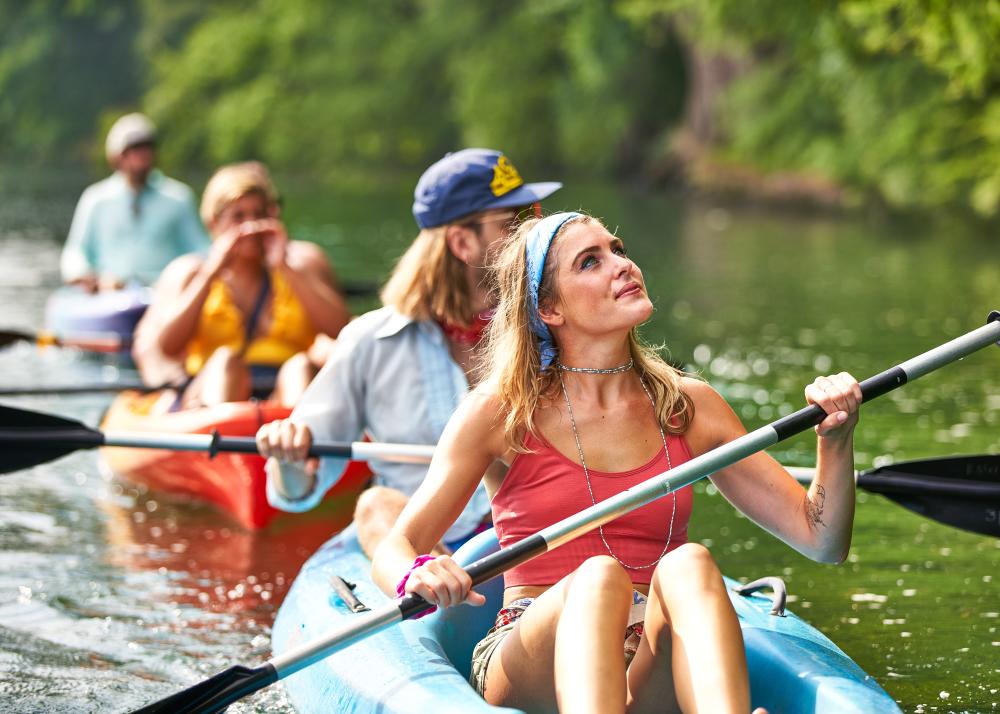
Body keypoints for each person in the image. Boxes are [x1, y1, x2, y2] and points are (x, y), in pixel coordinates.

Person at [370, 211, 862, 713]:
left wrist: (836, 442)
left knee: (690, 562)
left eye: (618, 249)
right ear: (550, 308)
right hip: (530, 653)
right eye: (591, 261)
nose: (622, 266)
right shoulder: (501, 411)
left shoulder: (687, 406)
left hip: (645, 658)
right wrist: (419, 574)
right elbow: (396, 546)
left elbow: (821, 540)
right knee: (600, 575)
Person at [255, 148, 562, 557]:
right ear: (461, 242)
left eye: (535, 214)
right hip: (419, 545)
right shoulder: (369, 341)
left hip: (528, 539)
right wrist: (289, 459)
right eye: (515, 222)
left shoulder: (552, 324)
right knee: (374, 504)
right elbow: (296, 494)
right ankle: (431, 590)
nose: (534, 232)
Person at [132, 161, 350, 409]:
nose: (251, 227)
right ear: (213, 223)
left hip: (286, 392)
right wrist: (212, 271)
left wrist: (285, 267)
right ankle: (221, 439)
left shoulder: (301, 264)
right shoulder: (191, 272)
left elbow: (341, 331)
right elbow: (168, 347)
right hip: (211, 391)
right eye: (238, 217)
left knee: (299, 367)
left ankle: (297, 439)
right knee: (227, 361)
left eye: (259, 215)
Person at [60, 113, 210, 291]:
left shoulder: (178, 198)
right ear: (117, 156)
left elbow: (200, 248)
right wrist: (83, 274)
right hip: (108, 294)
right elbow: (76, 251)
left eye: (148, 146)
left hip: (164, 294)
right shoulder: (95, 199)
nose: (142, 154)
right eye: (135, 148)